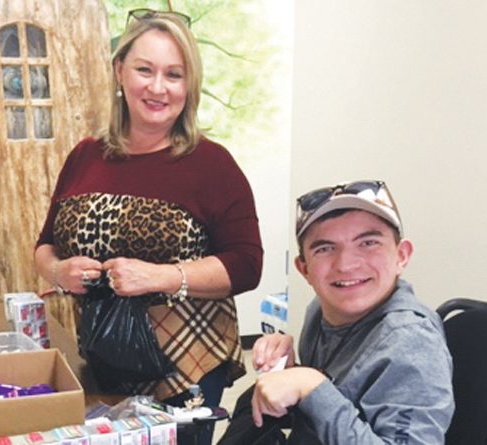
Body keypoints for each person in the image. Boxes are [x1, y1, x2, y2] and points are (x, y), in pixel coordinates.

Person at [34, 8, 263, 445]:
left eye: (174, 75)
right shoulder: (85, 156)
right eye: (145, 70)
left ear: (188, 85)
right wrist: (58, 272)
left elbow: (247, 264)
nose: (158, 87)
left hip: (185, 367)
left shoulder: (211, 165)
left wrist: (159, 276)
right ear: (120, 71)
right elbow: (45, 245)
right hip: (102, 356)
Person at [220, 180, 454, 444]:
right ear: (304, 269)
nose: (346, 264)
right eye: (325, 248)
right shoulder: (320, 310)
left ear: (401, 255)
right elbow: (341, 396)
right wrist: (290, 373)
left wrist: (312, 387)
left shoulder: (411, 342)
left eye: (368, 243)